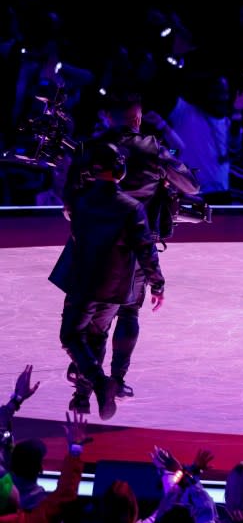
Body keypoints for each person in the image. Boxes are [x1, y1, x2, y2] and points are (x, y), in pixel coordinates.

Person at [82, 91, 200, 400]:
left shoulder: (93, 148)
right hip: (136, 247)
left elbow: (71, 200)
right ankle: (117, 381)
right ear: (138, 118)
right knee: (129, 313)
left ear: (110, 117)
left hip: (94, 246)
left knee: (96, 319)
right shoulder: (153, 150)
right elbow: (191, 185)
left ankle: (88, 385)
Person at [49, 141, 165, 420]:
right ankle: (86, 398)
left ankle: (97, 386)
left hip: (84, 284)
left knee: (71, 336)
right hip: (115, 287)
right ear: (120, 169)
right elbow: (145, 248)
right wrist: (157, 283)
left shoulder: (80, 202)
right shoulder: (131, 207)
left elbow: (72, 212)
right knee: (97, 336)